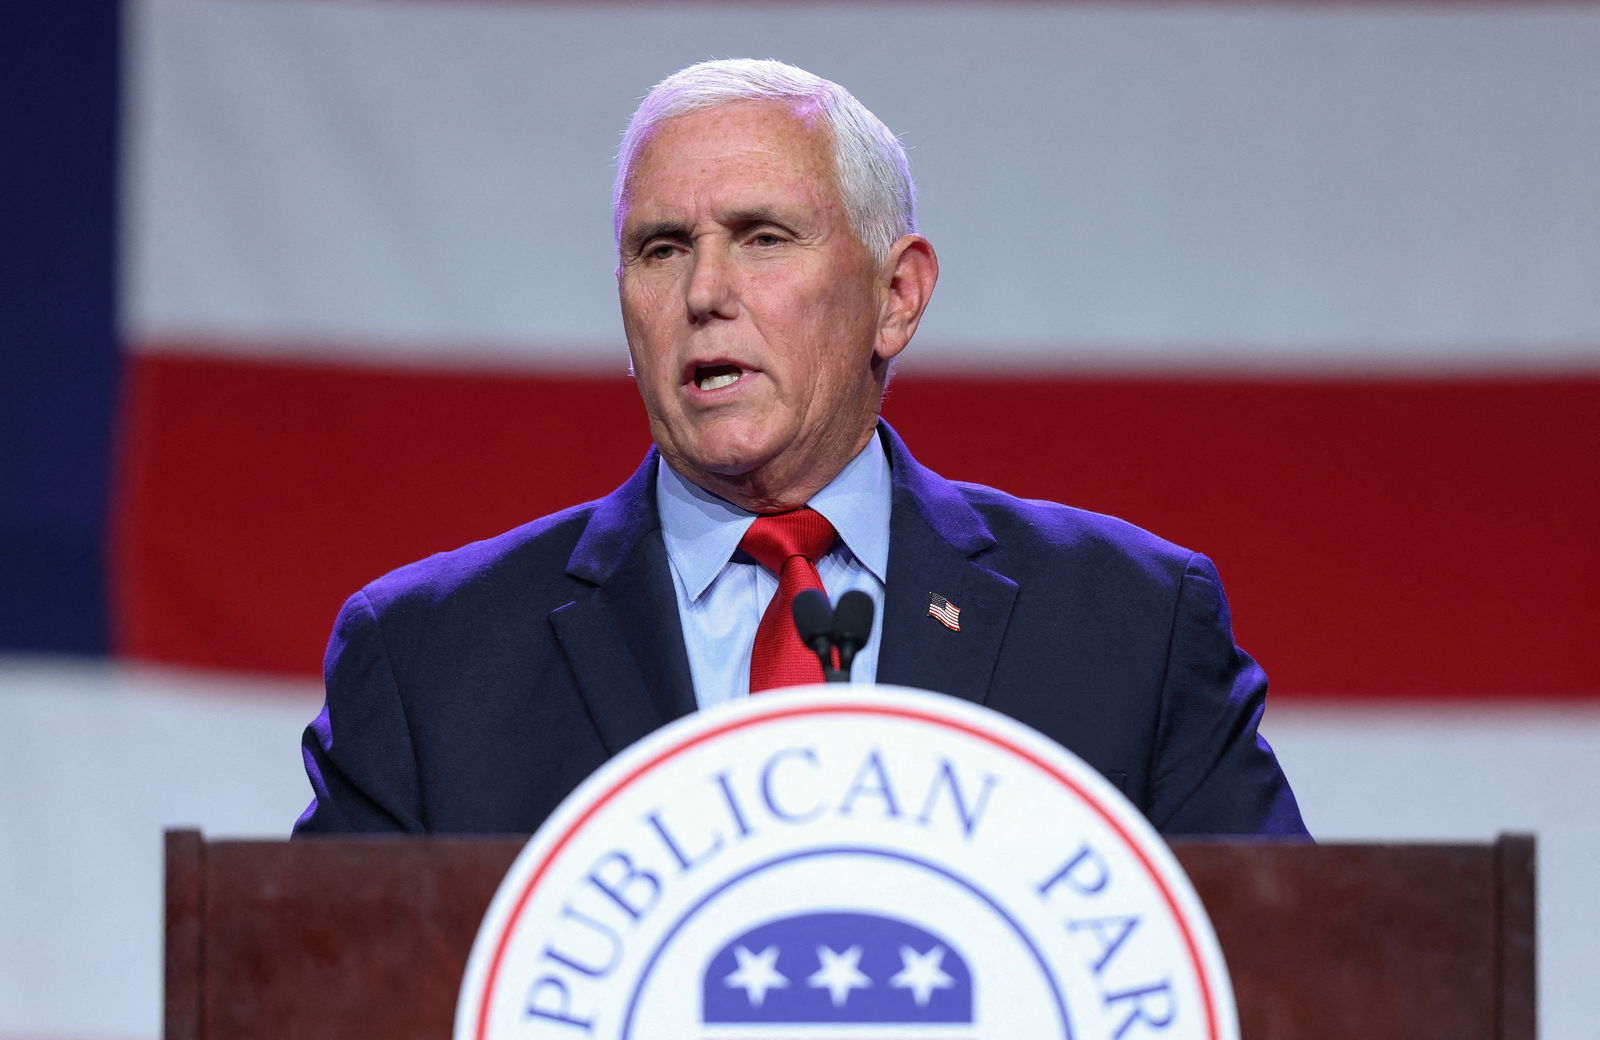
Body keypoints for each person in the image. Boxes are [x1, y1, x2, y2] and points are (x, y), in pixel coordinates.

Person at [294, 59, 1306, 838]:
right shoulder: (427, 659)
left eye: (763, 236)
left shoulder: (1127, 625)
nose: (702, 292)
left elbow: (1285, 980)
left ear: (896, 296)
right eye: (661, 248)